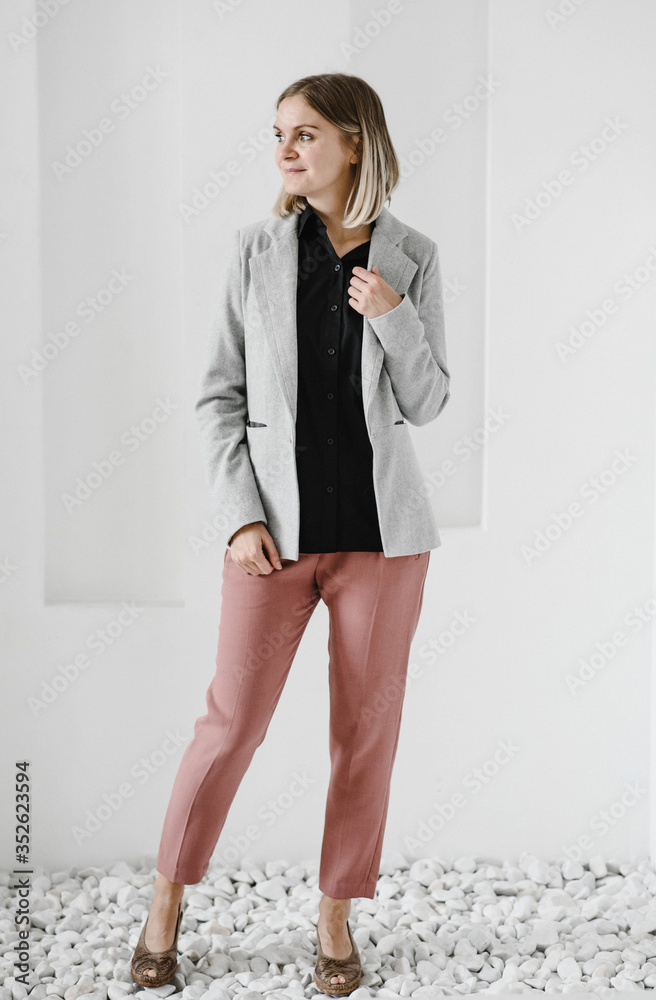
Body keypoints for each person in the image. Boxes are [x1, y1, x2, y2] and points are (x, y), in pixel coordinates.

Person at [131, 71, 450, 996]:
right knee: (230, 724)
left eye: (304, 133)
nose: (285, 149)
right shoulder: (254, 250)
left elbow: (429, 402)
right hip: (270, 540)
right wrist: (238, 515)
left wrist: (393, 317)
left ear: (354, 142)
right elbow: (217, 396)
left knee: (365, 734)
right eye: (278, 133)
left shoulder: (414, 256)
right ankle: (165, 901)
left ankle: (336, 917)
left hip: (383, 542)